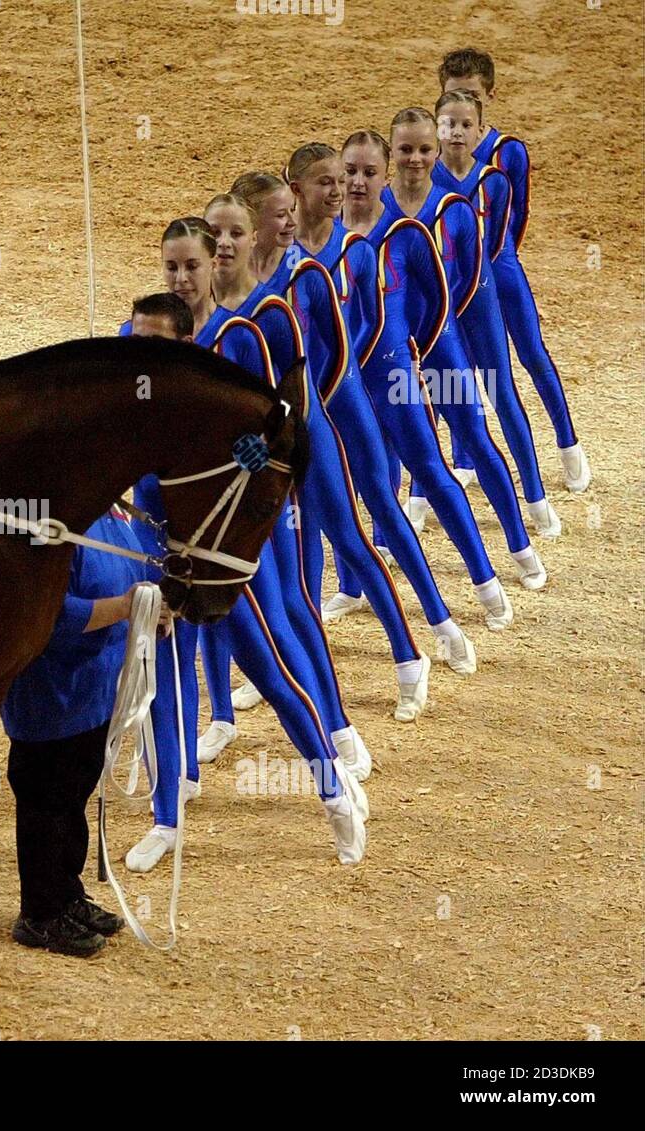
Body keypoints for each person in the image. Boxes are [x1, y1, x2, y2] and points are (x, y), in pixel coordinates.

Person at [124, 220, 369, 873]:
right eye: (170, 266)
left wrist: (258, 452)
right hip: (157, 538)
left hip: (220, 544)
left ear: (212, 267)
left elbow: (282, 426)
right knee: (161, 680)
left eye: (191, 266)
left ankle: (332, 785)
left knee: (269, 667)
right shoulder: (137, 339)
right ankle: (166, 815)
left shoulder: (230, 342)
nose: (180, 278)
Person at [285, 140, 477, 679]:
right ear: (297, 189)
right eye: (328, 181)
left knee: (382, 508)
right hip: (304, 407)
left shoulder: (355, 251)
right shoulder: (279, 256)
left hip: (343, 393)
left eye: (341, 179)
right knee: (307, 524)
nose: (340, 189)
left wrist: (336, 381)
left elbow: (365, 324)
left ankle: (441, 622)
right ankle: (305, 652)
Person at [339, 129, 516, 630]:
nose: (357, 182)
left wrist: (417, 355)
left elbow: (440, 302)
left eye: (368, 173)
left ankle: (486, 581)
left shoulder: (404, 234)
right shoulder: (329, 236)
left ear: (385, 174)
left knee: (431, 469)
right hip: (347, 382)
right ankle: (351, 588)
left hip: (396, 372)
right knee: (362, 480)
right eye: (350, 171)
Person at [378, 108, 546, 594]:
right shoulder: (374, 210)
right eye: (405, 149)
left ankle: (519, 543)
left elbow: (472, 280)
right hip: (390, 355)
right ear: (393, 152)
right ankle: (386, 543)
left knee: (472, 434)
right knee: (390, 444)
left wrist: (434, 339)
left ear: (437, 151)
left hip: (440, 344)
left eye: (424, 149)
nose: (414, 158)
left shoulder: (455, 208)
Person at [0, 503, 152, 956]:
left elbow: (134, 572)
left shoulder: (114, 512)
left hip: (93, 686)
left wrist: (149, 612)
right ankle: (40, 915)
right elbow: (44, 610)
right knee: (47, 799)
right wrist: (124, 607)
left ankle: (67, 894)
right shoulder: (44, 520)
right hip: (50, 689)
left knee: (75, 796)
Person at [406, 90, 559, 538]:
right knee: (432, 396)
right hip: (439, 303)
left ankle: (534, 495)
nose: (455, 132)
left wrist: (462, 291)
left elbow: (494, 243)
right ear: (436, 131)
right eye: (446, 124)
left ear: (480, 131)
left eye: (464, 124)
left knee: (502, 391)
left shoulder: (493, 181)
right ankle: (419, 496)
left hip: (479, 296)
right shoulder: (424, 180)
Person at [437, 47, 591, 491]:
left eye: (471, 93)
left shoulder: (509, 152)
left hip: (500, 268)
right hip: (458, 279)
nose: (463, 101)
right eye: (454, 94)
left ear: (489, 95)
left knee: (532, 354)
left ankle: (567, 443)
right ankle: (466, 455)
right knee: (464, 365)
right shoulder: (437, 151)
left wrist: (499, 261)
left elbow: (516, 215)